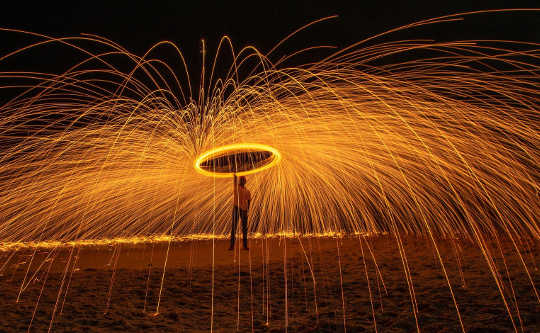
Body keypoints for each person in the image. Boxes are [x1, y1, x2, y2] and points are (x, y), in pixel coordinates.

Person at [229, 174, 251, 250]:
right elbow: (235, 179)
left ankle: (245, 245)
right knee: (234, 228)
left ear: (245, 182)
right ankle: (232, 246)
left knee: (244, 228)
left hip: (244, 210)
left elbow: (249, 200)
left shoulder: (247, 191)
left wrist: (248, 209)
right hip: (236, 208)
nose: (242, 181)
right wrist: (235, 173)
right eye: (241, 180)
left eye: (243, 180)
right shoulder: (236, 187)